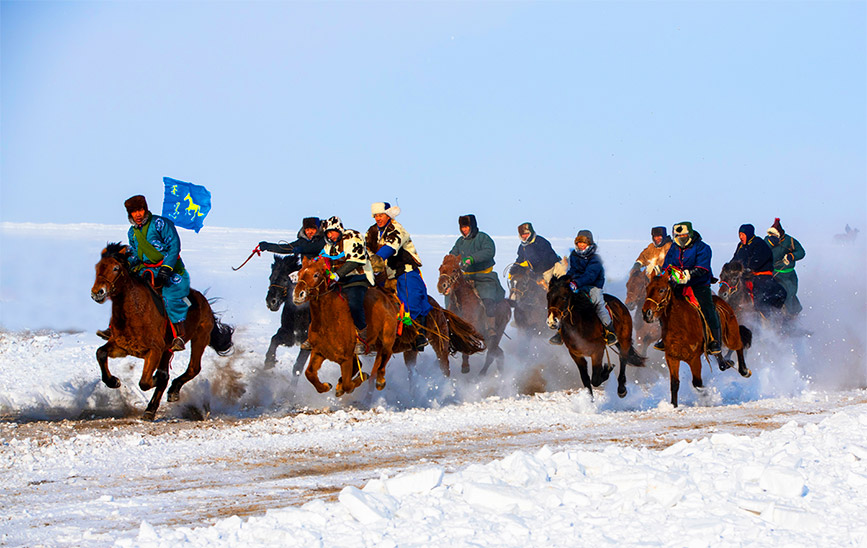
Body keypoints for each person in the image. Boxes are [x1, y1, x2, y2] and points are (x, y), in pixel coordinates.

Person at [97, 195, 190, 351]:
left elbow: (174, 246)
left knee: (169, 296)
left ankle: (179, 334)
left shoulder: (161, 224)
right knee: (125, 292)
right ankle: (114, 327)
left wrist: (166, 268)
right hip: (146, 269)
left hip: (170, 268)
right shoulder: (132, 233)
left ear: (145, 209)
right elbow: (136, 254)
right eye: (134, 212)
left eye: (140, 210)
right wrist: (126, 264)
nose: (138, 215)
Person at [365, 202, 432, 351]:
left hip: (405, 270)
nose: (378, 218)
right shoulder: (372, 231)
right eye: (375, 216)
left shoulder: (396, 229)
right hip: (383, 275)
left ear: (388, 215)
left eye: (381, 215)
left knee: (411, 299)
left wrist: (376, 259)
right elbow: (366, 248)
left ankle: (418, 334)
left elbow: (390, 247)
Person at [658, 221, 721, 354]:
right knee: (663, 304)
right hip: (677, 284)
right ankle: (665, 336)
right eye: (678, 236)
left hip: (699, 284)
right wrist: (664, 274)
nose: (681, 238)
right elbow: (667, 265)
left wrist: (688, 275)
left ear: (690, 234)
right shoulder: (674, 248)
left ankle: (714, 340)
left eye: (684, 235)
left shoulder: (702, 247)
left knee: (707, 307)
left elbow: (702, 267)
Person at [319, 216, 375, 355]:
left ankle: (362, 335)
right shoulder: (328, 247)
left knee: (354, 304)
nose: (331, 236)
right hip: (338, 283)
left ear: (339, 229)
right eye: (328, 234)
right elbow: (319, 260)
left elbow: (356, 260)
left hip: (357, 279)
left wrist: (338, 274)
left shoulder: (352, 237)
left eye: (332, 232)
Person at [449, 215, 506, 330]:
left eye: (466, 227)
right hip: (466, 278)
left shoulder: (483, 238)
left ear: (472, 226)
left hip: (484, 277)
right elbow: (453, 254)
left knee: (488, 299)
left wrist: (472, 259)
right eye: (462, 227)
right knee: (452, 297)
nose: (464, 230)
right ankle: (451, 325)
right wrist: (450, 260)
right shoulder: (460, 242)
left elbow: (489, 251)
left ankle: (491, 327)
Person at [731, 223, 786, 315]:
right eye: (739, 234)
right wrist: (730, 267)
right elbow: (735, 259)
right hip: (744, 275)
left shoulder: (759, 243)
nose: (740, 237)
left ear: (748, 234)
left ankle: (763, 314)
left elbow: (758, 259)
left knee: (761, 294)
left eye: (742, 235)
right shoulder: (740, 246)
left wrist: (749, 268)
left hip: (761, 275)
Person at [765, 218, 805, 317]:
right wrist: (769, 244)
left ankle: (791, 316)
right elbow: (761, 251)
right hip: (774, 273)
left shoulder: (790, 241)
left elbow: (801, 252)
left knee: (790, 294)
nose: (772, 236)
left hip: (789, 275)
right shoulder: (767, 240)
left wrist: (792, 256)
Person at [513, 222, 562, 287]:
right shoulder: (522, 247)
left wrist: (533, 267)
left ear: (531, 233)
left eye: (526, 234)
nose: (524, 236)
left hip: (548, 269)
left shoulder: (541, 242)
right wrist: (514, 269)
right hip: (533, 272)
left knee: (548, 286)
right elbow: (520, 258)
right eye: (522, 235)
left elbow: (546, 258)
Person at [258, 217, 325, 260]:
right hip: (305, 269)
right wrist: (268, 246)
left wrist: (301, 249)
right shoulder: (302, 241)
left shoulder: (324, 239)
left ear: (318, 229)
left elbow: (315, 247)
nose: (309, 232)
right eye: (307, 229)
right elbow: (286, 248)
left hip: (323, 270)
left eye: (312, 229)